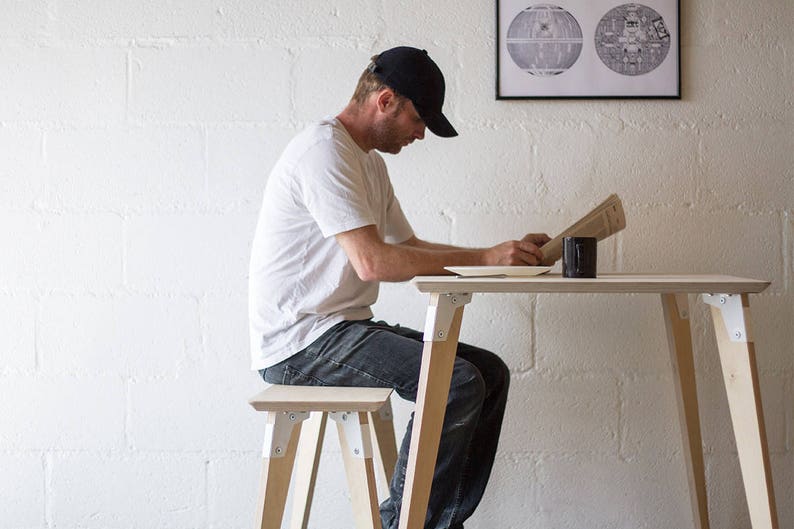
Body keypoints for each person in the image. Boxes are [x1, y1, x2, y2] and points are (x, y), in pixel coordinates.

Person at [249, 46, 551, 529]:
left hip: (341, 328)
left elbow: (407, 246)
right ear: (385, 100)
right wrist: (483, 260)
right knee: (457, 382)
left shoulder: (367, 162)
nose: (421, 133)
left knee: (488, 373)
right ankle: (402, 524)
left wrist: (497, 258)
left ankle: (435, 523)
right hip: (300, 342)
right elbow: (374, 262)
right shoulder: (323, 152)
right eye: (419, 118)